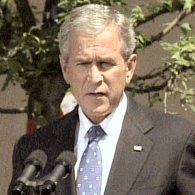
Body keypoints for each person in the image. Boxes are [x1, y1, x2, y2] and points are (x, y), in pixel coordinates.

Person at [8, 4, 195, 195]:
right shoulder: (34, 149)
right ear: (65, 68)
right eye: (83, 63)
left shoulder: (175, 142)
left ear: (129, 68)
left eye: (105, 63)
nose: (95, 77)